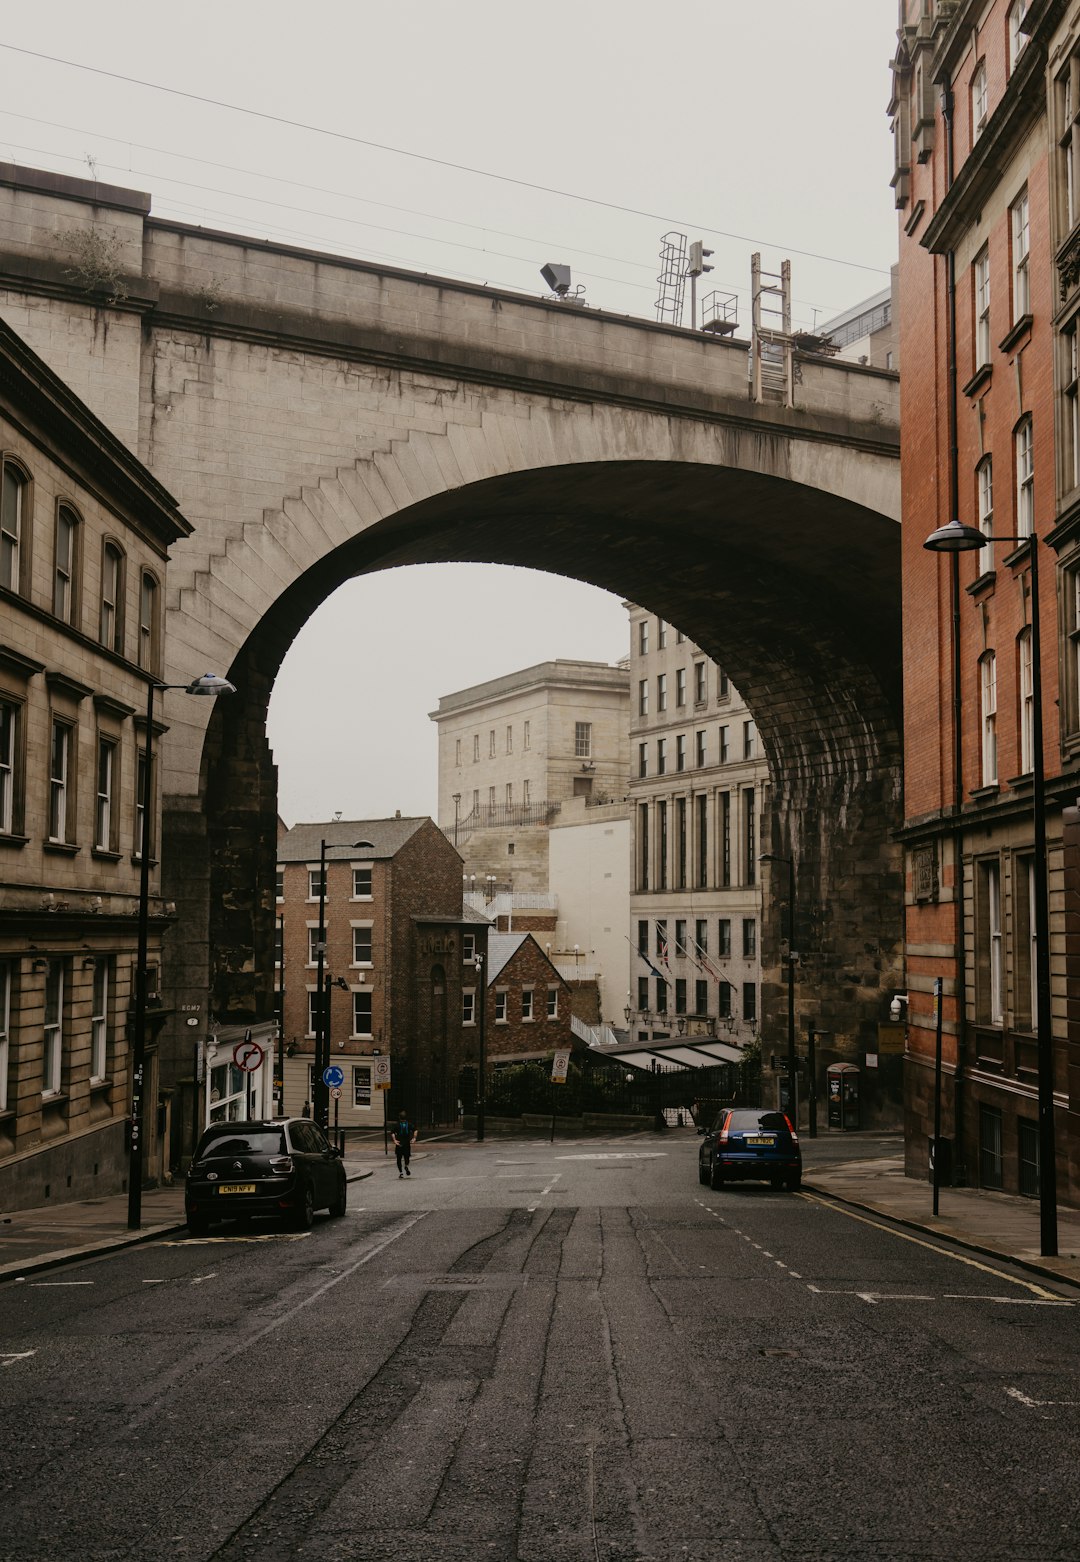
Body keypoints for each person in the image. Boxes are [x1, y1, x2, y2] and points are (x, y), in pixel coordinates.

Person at [392, 1109, 417, 1177]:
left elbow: (393, 1133)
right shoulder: (409, 1124)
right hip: (407, 1144)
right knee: (407, 1157)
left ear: (399, 1117)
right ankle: (406, 1166)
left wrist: (394, 1140)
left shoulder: (397, 1125)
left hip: (399, 1144)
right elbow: (415, 1130)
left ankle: (401, 1173)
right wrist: (414, 1138)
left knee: (399, 1159)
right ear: (406, 1118)